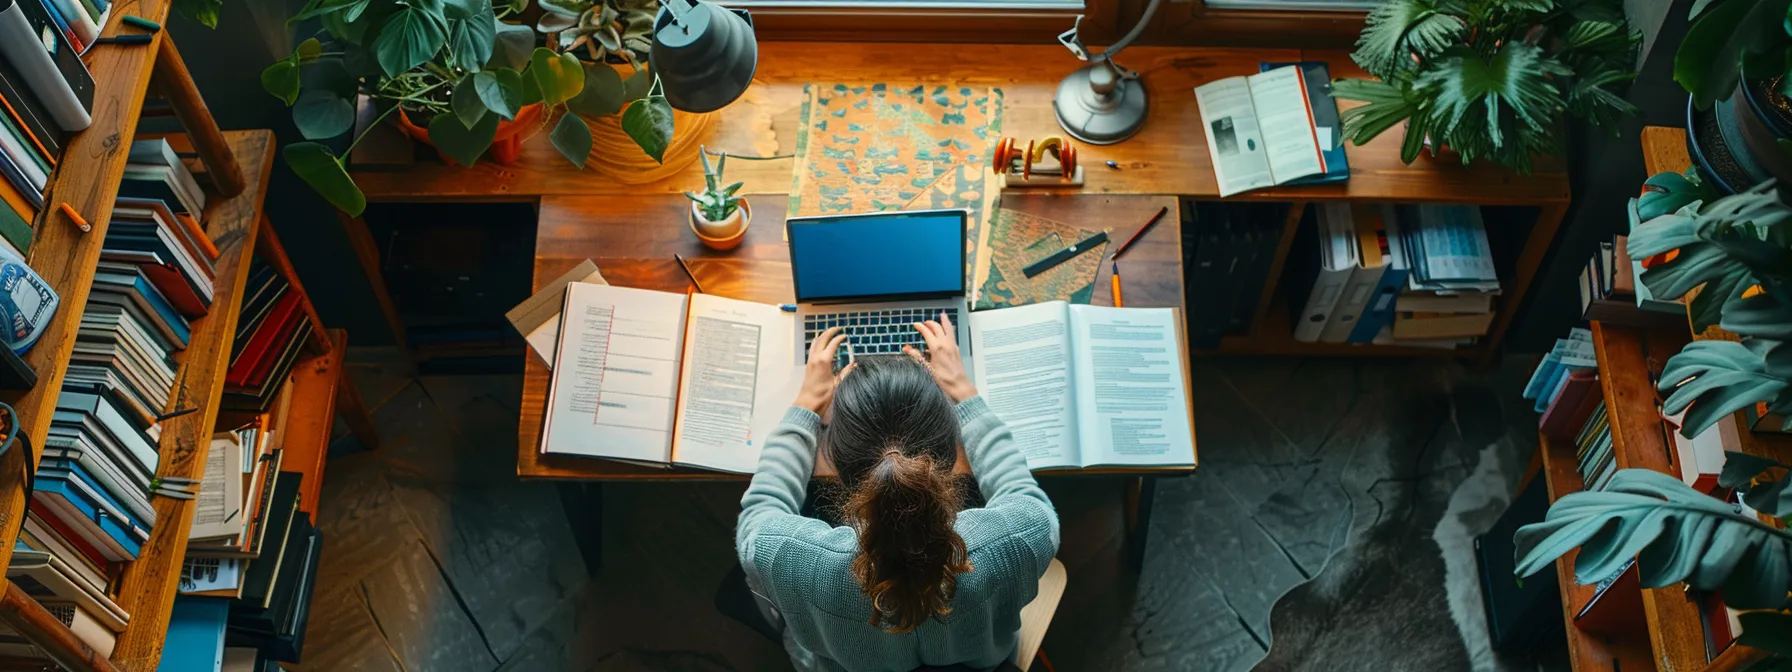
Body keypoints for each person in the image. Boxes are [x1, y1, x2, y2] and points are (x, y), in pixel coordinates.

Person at [736, 313, 1060, 672]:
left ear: (834, 462)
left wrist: (806, 406)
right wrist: (964, 394)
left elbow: (759, 512)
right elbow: (1021, 491)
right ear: (951, 453)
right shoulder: (1020, 537)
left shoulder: (791, 559)